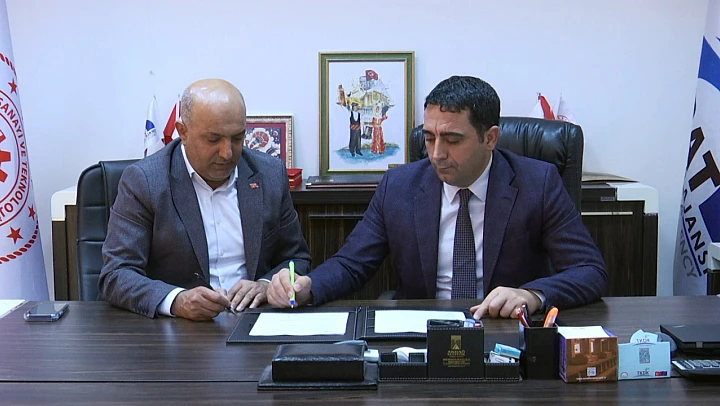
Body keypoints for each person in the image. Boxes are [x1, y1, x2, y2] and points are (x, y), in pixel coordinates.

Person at [267, 75, 607, 319]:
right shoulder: (399, 186)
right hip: (422, 331)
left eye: (453, 140)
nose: (436, 154)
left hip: (502, 330)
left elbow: (589, 270)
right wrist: (308, 286)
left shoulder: (537, 183)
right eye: (429, 138)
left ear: (490, 138)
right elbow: (351, 264)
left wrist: (532, 295)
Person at [99, 78, 310, 321]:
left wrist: (267, 285)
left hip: (254, 320)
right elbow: (116, 274)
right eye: (213, 140)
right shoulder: (145, 181)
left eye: (237, 138)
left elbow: (296, 258)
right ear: (183, 132)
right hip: (178, 330)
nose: (227, 153)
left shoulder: (269, 174)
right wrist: (177, 300)